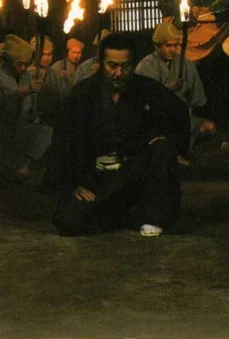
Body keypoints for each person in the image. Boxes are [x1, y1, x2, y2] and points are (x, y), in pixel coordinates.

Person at [52, 33, 190, 237]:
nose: (119, 73)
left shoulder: (146, 88)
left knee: (161, 148)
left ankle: (149, 215)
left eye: (125, 66)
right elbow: (63, 140)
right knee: (68, 221)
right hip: (96, 178)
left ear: (132, 64)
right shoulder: (83, 93)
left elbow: (178, 112)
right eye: (112, 66)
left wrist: (167, 141)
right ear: (101, 63)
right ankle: (120, 214)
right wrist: (74, 183)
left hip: (133, 173)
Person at [135, 22, 214, 166]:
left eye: (175, 45)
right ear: (157, 45)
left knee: (208, 128)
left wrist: (185, 120)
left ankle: (183, 149)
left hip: (182, 119)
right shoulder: (145, 66)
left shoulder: (186, 64)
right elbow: (145, 97)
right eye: (168, 46)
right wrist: (169, 88)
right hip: (156, 121)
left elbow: (193, 100)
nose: (172, 49)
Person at [17, 36, 68, 178]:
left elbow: (64, 96)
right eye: (43, 54)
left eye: (49, 54)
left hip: (51, 118)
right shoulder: (26, 73)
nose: (46, 58)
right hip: (28, 120)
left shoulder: (54, 74)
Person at [0, 35, 42, 182]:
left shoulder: (25, 75)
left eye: (26, 64)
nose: (23, 68)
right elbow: (4, 97)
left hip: (20, 129)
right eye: (19, 64)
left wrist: (34, 114)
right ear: (8, 61)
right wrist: (25, 90)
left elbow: (31, 103)